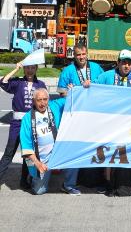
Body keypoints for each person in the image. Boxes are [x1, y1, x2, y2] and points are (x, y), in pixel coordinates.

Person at [96, 49, 131, 197]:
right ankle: (107, 183)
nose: (126, 66)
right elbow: (93, 87)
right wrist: (86, 85)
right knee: (109, 150)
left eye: (129, 63)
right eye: (123, 62)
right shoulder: (107, 76)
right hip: (112, 121)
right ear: (118, 62)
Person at [20, 88, 80, 195]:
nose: (43, 103)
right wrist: (38, 164)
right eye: (39, 100)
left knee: (74, 155)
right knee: (39, 191)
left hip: (58, 152)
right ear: (33, 101)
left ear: (49, 99)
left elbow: (72, 97)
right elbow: (26, 146)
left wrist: (74, 89)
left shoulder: (54, 106)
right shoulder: (27, 118)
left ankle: (68, 185)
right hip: (42, 159)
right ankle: (36, 177)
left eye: (45, 99)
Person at [0, 62, 46, 191]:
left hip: (32, 124)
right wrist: (16, 69)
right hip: (16, 124)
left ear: (36, 68)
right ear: (24, 69)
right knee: (9, 153)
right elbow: (3, 82)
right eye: (27, 68)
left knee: (29, 154)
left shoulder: (40, 84)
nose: (30, 70)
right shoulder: (18, 82)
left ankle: (24, 181)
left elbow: (45, 103)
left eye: (32, 68)